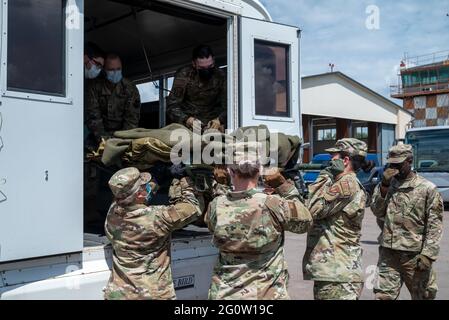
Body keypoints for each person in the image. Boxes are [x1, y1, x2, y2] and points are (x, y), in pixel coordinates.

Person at [204, 142, 313, 300]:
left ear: (230, 171)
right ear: (260, 170)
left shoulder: (216, 205)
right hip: (266, 294)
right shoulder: (273, 204)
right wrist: (284, 186)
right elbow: (305, 221)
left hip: (225, 294)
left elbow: (211, 224)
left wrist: (221, 185)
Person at [104, 167, 202, 300]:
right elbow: (192, 207)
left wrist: (158, 176)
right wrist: (185, 181)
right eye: (144, 186)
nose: (147, 187)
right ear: (139, 194)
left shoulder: (112, 213)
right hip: (153, 294)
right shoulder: (158, 217)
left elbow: (138, 196)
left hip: (119, 294)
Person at [371, 144, 443, 300]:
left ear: (410, 161)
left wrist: (428, 255)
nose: (394, 168)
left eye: (398, 164)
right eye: (391, 164)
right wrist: (383, 186)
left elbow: (435, 225)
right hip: (389, 255)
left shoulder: (427, 188)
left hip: (415, 256)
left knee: (423, 296)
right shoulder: (387, 185)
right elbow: (377, 211)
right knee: (382, 296)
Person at [303, 138, 368, 300]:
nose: (330, 161)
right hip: (338, 272)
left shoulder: (345, 184)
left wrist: (325, 175)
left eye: (334, 157)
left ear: (345, 160)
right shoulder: (345, 183)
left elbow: (312, 209)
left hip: (337, 273)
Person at [167, 45, 226, 132]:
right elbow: (172, 106)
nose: (207, 70)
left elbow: (230, 105)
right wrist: (187, 119)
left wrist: (220, 120)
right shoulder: (184, 75)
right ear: (194, 64)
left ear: (213, 60)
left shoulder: (221, 75)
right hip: (189, 122)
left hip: (213, 123)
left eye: (210, 66)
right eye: (202, 68)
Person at [86, 53, 141, 145]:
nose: (115, 72)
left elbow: (131, 120)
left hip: (123, 137)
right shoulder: (94, 87)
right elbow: (94, 118)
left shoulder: (130, 88)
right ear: (104, 70)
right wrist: (104, 141)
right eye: (111, 70)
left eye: (118, 69)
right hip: (98, 137)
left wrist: (121, 142)